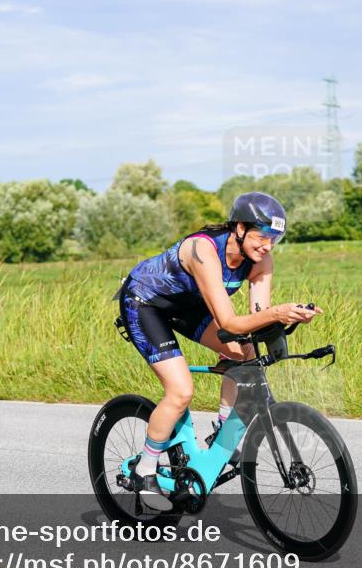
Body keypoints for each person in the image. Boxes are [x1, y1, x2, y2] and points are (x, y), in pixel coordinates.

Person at [114, 192, 322, 510]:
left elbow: (256, 318)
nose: (267, 246)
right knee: (181, 392)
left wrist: (286, 318)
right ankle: (144, 470)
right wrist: (278, 313)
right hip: (146, 303)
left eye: (275, 239)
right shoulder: (203, 250)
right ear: (239, 227)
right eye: (262, 236)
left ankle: (222, 431)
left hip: (189, 307)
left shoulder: (261, 261)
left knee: (246, 353)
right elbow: (228, 323)